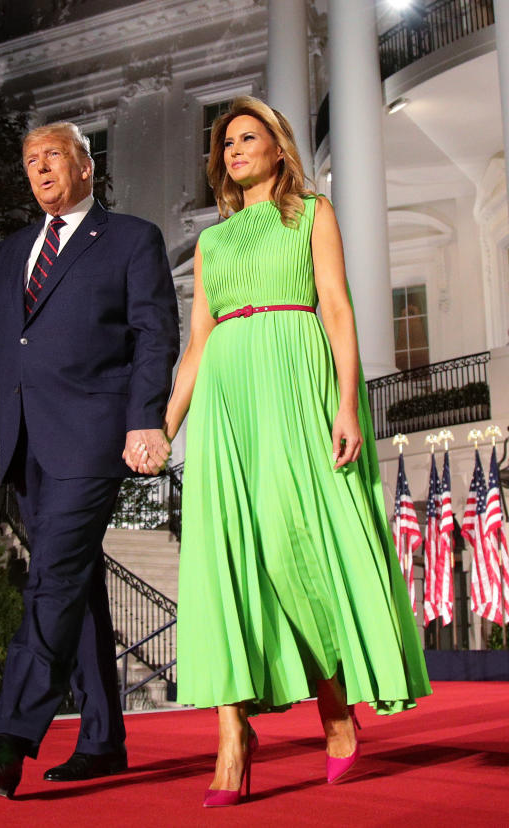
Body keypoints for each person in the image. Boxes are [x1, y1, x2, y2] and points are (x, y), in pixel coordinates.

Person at [164, 96, 430, 807]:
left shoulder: (312, 213)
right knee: (227, 559)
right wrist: (164, 425)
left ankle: (336, 707)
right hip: (225, 395)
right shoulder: (213, 245)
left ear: (279, 148)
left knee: (291, 549)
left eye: (249, 139)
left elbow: (337, 306)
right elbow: (198, 344)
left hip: (294, 374)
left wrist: (347, 402)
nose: (235, 151)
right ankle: (231, 734)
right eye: (226, 145)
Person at [0, 122, 179, 798]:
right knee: (75, 587)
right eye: (29, 161)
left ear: (85, 166)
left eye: (52, 156)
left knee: (51, 577)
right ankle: (102, 740)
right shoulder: (12, 249)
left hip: (92, 436)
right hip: (23, 440)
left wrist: (144, 420)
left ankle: (9, 740)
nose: (40, 169)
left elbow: (153, 332)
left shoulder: (132, 238)